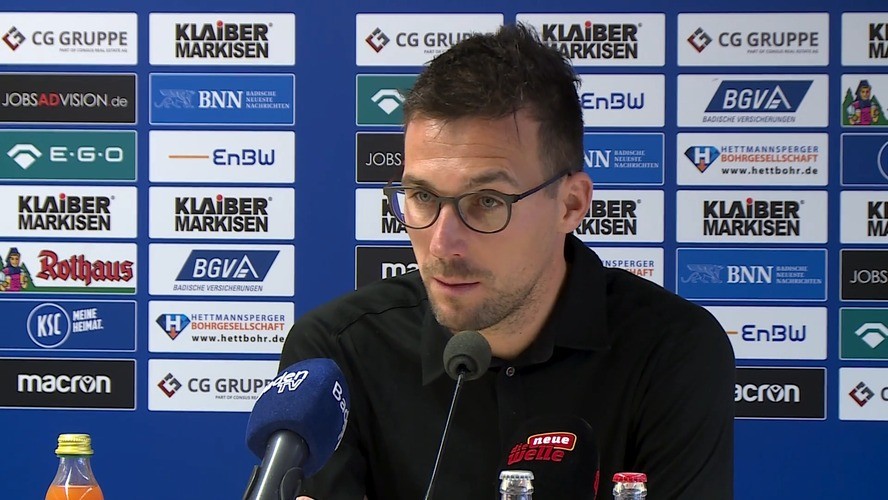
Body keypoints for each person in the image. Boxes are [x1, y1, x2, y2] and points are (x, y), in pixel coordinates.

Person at [282, 23, 734, 500]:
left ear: (571, 205)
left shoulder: (670, 351)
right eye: (422, 196)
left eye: (487, 201)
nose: (443, 245)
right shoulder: (336, 354)